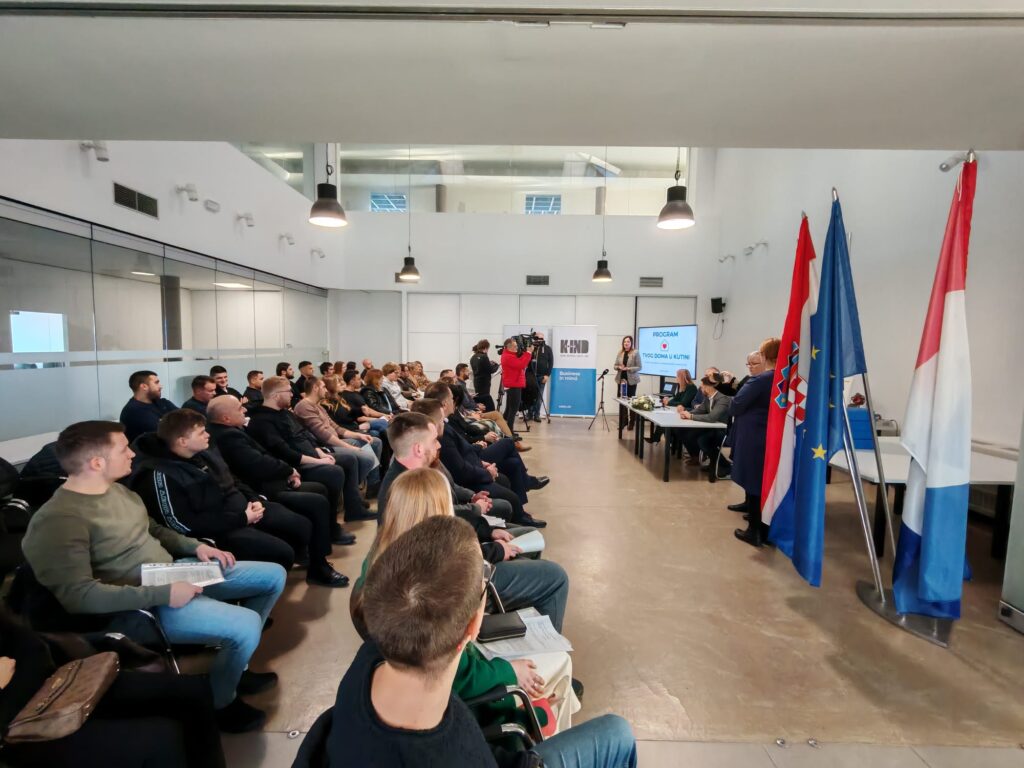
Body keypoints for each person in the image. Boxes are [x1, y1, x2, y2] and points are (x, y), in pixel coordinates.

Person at [21, 420, 285, 733]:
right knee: (246, 625)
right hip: (138, 603)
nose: (132, 454)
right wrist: (164, 593)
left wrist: (195, 546)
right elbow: (79, 597)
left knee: (273, 576)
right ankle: (220, 701)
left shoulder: (117, 490)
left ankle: (235, 662)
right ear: (97, 463)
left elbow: (154, 529)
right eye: (123, 449)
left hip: (171, 572)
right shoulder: (59, 520)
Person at [328, 515, 636, 768]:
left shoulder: (365, 663)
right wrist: (536, 715)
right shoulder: (458, 748)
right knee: (617, 733)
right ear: (474, 625)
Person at [351, 468, 580, 735]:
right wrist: (515, 681)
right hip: (479, 698)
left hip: (444, 684)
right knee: (560, 662)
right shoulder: (426, 594)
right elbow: (458, 677)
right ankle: (549, 737)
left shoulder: (378, 565)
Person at [0, 606, 226, 768]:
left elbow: (31, 645)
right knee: (160, 739)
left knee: (192, 691)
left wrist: (16, 677)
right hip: (18, 730)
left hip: (52, 685)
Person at [129, 409, 310, 575]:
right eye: (201, 432)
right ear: (183, 441)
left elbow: (232, 478)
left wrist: (254, 499)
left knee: (298, 525)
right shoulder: (160, 474)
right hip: (216, 529)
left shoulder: (200, 453)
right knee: (281, 552)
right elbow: (183, 524)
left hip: (238, 511)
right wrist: (242, 519)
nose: (208, 435)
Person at [207, 393, 356, 569]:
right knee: (318, 500)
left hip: (268, 479)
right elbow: (258, 463)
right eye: (239, 408)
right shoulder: (228, 436)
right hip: (261, 488)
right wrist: (288, 471)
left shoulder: (233, 430)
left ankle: (317, 545)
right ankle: (319, 563)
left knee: (320, 489)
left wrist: (288, 472)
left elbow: (266, 455)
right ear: (225, 418)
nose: (245, 410)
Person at [247, 376, 375, 523]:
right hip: (295, 464)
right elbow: (285, 452)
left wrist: (319, 452)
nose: (292, 394)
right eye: (288, 391)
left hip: (311, 454)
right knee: (335, 471)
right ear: (276, 395)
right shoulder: (262, 421)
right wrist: (318, 461)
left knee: (349, 460)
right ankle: (332, 523)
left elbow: (305, 435)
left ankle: (354, 509)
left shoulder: (285, 413)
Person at [416, 394, 546, 529]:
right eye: (442, 421)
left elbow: (463, 451)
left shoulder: (446, 428)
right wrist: (486, 472)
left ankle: (520, 512)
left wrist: (481, 463)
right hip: (471, 475)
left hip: (474, 462)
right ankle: (523, 496)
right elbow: (460, 471)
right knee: (507, 446)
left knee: (513, 464)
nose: (453, 400)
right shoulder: (443, 438)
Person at [731, 337, 779, 547]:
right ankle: (766, 531)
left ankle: (754, 531)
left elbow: (736, 405)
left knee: (753, 482)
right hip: (770, 436)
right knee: (764, 483)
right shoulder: (783, 378)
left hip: (753, 436)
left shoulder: (760, 380)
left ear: (765, 356)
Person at [294, 376, 382, 491]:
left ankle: (371, 483)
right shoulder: (304, 406)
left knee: (375, 442)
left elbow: (336, 428)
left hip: (335, 440)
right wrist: (350, 447)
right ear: (315, 388)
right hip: (325, 446)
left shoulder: (318, 406)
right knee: (367, 458)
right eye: (323, 387)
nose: (326, 390)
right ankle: (353, 488)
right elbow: (322, 435)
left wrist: (359, 435)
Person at [678, 376, 732, 469]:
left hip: (723, 431)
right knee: (685, 432)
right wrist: (687, 413)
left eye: (702, 386)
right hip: (712, 429)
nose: (701, 388)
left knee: (703, 440)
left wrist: (691, 416)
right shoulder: (708, 398)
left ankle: (724, 466)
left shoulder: (723, 399)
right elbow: (700, 410)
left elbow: (712, 417)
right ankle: (706, 460)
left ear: (709, 387)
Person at [119, 370, 177, 443]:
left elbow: (186, 419)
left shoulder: (163, 402)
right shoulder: (133, 411)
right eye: (156, 383)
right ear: (144, 386)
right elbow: (165, 434)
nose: (161, 386)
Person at [647, 368, 698, 445]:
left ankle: (663, 440)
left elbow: (683, 403)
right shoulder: (682, 386)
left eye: (677, 376)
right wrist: (668, 402)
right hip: (678, 410)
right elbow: (676, 399)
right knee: (663, 418)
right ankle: (665, 440)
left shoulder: (691, 387)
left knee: (665, 420)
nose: (676, 378)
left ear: (682, 377)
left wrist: (668, 403)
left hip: (686, 412)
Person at [500, 337, 532, 428]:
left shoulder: (508, 355)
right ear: (509, 347)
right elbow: (521, 364)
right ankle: (510, 431)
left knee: (509, 409)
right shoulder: (508, 356)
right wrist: (528, 353)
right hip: (513, 385)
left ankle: (505, 428)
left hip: (513, 384)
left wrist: (525, 354)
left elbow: (519, 361)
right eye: (515, 346)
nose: (517, 348)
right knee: (513, 409)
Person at [614, 336, 641, 430]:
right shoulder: (620, 352)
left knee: (631, 401)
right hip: (621, 380)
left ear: (631, 343)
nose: (626, 343)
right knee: (622, 401)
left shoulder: (635, 352)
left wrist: (628, 368)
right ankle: (623, 421)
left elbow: (639, 367)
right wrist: (619, 367)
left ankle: (632, 422)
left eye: (628, 341)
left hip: (631, 381)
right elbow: (615, 365)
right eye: (625, 341)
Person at [527, 331, 553, 423]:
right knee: (530, 396)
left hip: (542, 376)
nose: (539, 340)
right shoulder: (531, 348)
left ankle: (536, 415)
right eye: (537, 338)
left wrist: (547, 375)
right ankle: (529, 414)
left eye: (541, 338)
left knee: (539, 397)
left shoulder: (547, 349)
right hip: (531, 376)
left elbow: (551, 363)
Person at [470, 339, 500, 411]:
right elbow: (491, 370)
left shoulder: (473, 357)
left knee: (479, 399)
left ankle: (482, 413)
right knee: (486, 402)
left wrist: (489, 363)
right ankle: (487, 414)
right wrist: (497, 365)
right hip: (484, 383)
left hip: (477, 382)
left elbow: (481, 367)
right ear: (486, 348)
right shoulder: (484, 357)